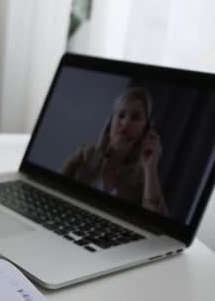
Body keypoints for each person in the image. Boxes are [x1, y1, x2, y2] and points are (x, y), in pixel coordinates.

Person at [62, 87, 168, 216]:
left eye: (135, 117)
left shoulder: (143, 177)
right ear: (111, 122)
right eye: (121, 115)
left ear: (145, 130)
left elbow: (158, 221)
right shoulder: (85, 153)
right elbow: (53, 187)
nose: (125, 123)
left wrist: (150, 168)